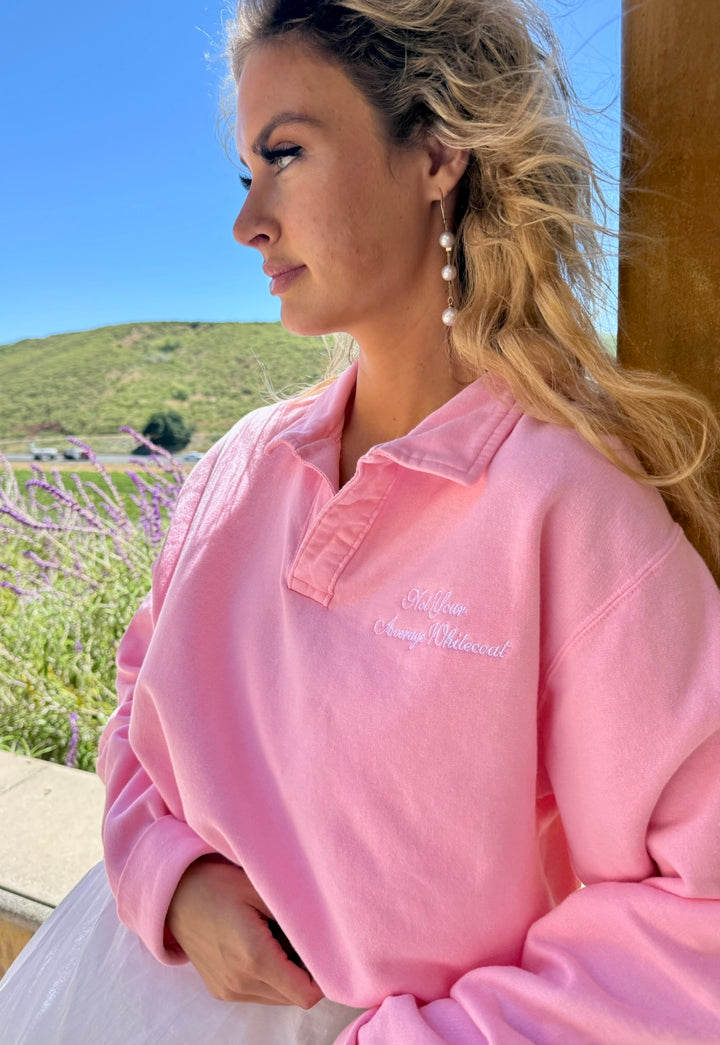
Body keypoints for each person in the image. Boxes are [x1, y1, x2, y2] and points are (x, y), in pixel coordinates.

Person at [2, 0, 720, 1041]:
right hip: (100, 985)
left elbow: (701, 907)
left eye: (286, 154)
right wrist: (172, 874)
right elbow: (135, 710)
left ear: (436, 153)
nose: (248, 221)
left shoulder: (572, 508)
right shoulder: (237, 467)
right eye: (244, 173)